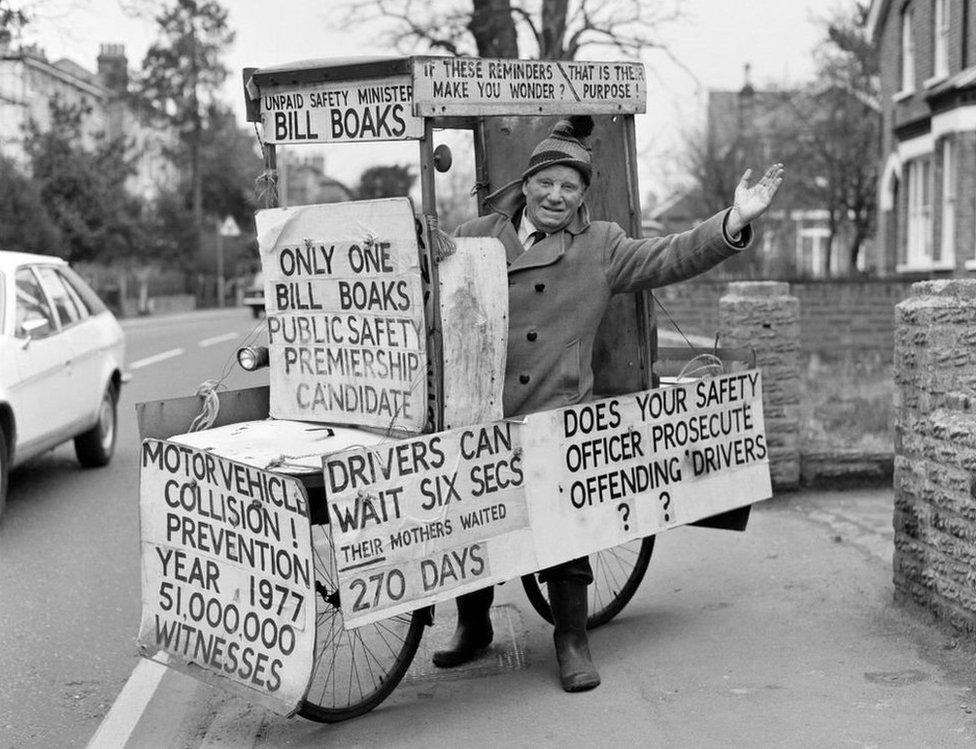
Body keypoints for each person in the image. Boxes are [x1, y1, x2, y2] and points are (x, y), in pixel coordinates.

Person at [433, 115, 784, 692]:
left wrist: (734, 221)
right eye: (547, 183)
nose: (556, 196)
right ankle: (473, 627)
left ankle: (571, 638)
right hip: (485, 411)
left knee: (563, 532)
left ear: (581, 197)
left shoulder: (600, 246)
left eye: (570, 187)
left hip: (555, 413)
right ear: (527, 184)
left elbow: (672, 255)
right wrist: (431, 252)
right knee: (474, 522)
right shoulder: (477, 234)